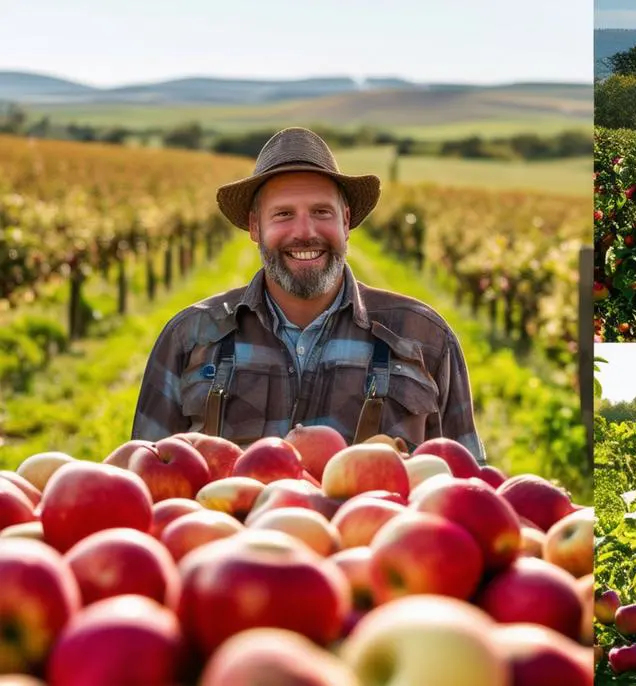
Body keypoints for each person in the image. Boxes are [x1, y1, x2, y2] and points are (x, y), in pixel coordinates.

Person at [131, 127, 485, 464]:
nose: (305, 232)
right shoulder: (189, 338)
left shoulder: (425, 339)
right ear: (256, 227)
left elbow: (465, 485)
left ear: (346, 222)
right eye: (284, 214)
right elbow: (146, 478)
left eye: (321, 212)